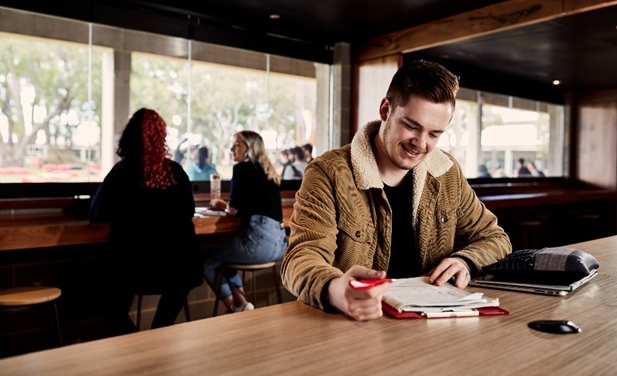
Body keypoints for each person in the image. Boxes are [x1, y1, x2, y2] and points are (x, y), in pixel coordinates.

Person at [281, 60, 512, 321]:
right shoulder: (328, 173)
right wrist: (335, 289)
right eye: (411, 126)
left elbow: (496, 239)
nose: (421, 144)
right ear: (385, 109)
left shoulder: (447, 172)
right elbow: (300, 259)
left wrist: (465, 261)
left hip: (432, 325)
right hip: (355, 326)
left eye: (434, 134)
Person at [89, 108, 202, 336]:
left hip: (135, 266)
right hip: (177, 268)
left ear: (130, 136)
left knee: (99, 290)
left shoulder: (123, 172)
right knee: (178, 287)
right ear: (161, 138)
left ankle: (136, 341)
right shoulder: (175, 172)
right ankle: (157, 335)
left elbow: (97, 212)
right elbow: (188, 210)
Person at [202, 130, 287, 313]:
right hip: (279, 246)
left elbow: (236, 207)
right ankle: (242, 303)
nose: (232, 148)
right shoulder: (268, 171)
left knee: (207, 260)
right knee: (225, 256)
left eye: (237, 144)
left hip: (259, 245)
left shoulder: (242, 169)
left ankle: (234, 307)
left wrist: (221, 204)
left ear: (249, 148)